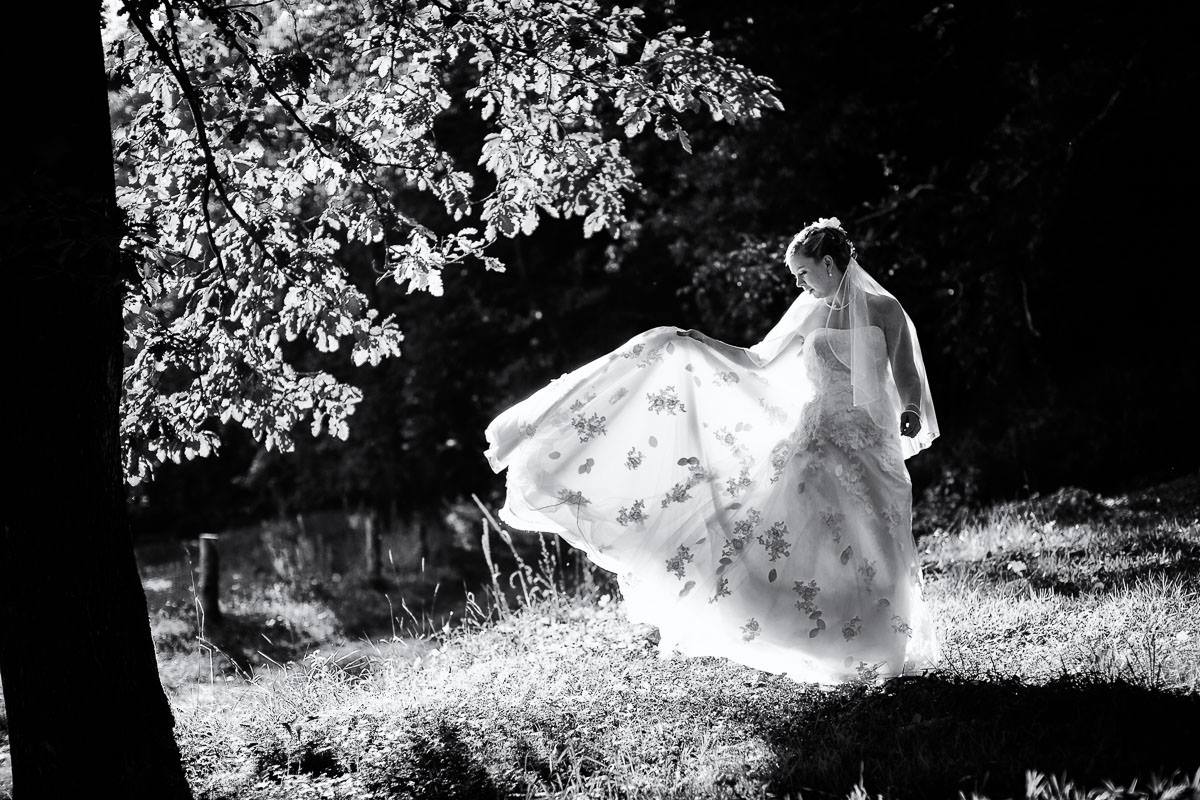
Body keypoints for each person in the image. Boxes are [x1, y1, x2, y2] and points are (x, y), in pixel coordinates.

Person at [483, 217, 940, 684]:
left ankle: (888, 646)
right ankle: (826, 637)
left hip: (873, 441)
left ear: (828, 263)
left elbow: (906, 374)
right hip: (820, 439)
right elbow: (758, 358)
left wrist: (910, 410)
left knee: (881, 537)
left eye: (803, 273)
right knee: (814, 538)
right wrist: (700, 343)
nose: (798, 283)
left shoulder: (886, 309)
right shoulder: (809, 312)